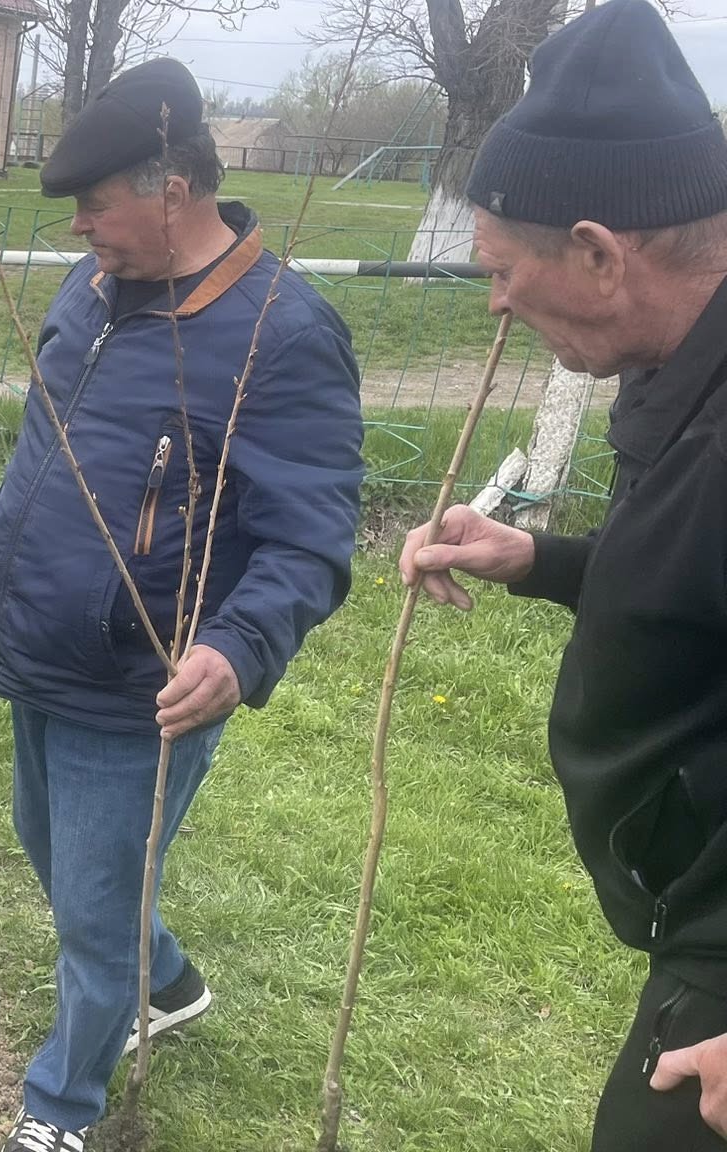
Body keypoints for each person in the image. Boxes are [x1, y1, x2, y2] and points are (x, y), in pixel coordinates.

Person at [0, 59, 363, 1151]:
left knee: (88, 908)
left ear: (170, 186)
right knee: (53, 855)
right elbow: (47, 437)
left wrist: (238, 642)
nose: (79, 227)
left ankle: (58, 1111)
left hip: (148, 677)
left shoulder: (279, 333)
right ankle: (167, 984)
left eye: (93, 204)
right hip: (39, 637)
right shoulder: (87, 291)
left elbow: (311, 536)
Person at [395, 5, 727, 1148]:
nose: (492, 303)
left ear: (594, 249)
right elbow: (695, 586)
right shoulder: (678, 363)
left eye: (498, 268)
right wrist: (536, 561)